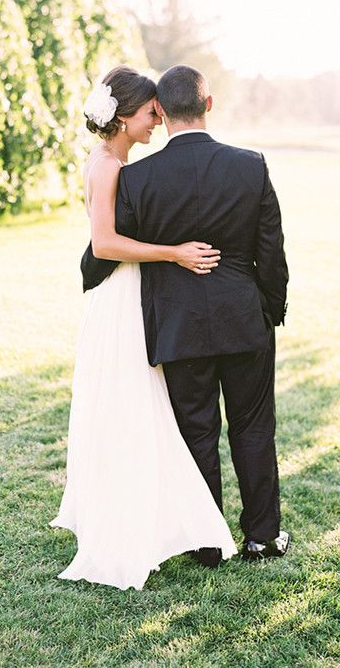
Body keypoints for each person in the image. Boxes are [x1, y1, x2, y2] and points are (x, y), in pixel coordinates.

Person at [50, 65, 236, 590]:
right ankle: (125, 526)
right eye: (151, 112)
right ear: (124, 116)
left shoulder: (115, 160)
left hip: (127, 293)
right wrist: (173, 253)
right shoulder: (108, 166)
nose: (158, 119)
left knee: (133, 405)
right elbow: (104, 244)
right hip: (118, 297)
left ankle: (146, 517)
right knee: (128, 405)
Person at [115, 65, 290, 567]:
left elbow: (112, 248)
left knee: (196, 432)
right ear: (209, 105)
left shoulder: (136, 178)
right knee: (253, 427)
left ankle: (206, 544)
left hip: (178, 325)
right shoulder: (250, 165)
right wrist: (268, 312)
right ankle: (262, 537)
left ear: (161, 112)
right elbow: (271, 252)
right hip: (244, 320)